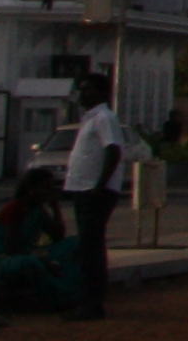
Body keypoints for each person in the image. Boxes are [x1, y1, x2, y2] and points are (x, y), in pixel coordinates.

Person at [60, 73, 141, 320]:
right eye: (81, 90)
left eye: (88, 89)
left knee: (91, 246)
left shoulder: (104, 118)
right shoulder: (90, 119)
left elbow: (113, 151)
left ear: (102, 93)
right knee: (87, 246)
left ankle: (92, 303)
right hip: (83, 189)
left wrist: (99, 186)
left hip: (94, 191)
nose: (83, 94)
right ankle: (86, 300)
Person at [0, 168, 82, 308]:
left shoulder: (38, 210)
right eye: (46, 187)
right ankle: (54, 297)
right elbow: (13, 248)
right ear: (31, 188)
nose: (50, 191)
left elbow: (58, 236)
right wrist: (43, 261)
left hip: (29, 253)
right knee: (30, 263)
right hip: (2, 260)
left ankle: (74, 290)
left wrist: (55, 208)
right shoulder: (15, 208)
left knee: (75, 244)